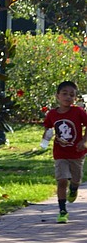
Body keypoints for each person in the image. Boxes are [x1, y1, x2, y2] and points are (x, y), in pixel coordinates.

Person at [41, 80, 87, 223]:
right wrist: (45, 141)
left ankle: (73, 189)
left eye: (71, 95)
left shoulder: (78, 112)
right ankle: (62, 211)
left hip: (77, 153)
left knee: (75, 179)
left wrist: (84, 140)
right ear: (57, 96)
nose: (68, 97)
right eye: (64, 94)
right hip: (60, 153)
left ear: (75, 98)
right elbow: (48, 128)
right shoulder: (52, 114)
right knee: (61, 180)